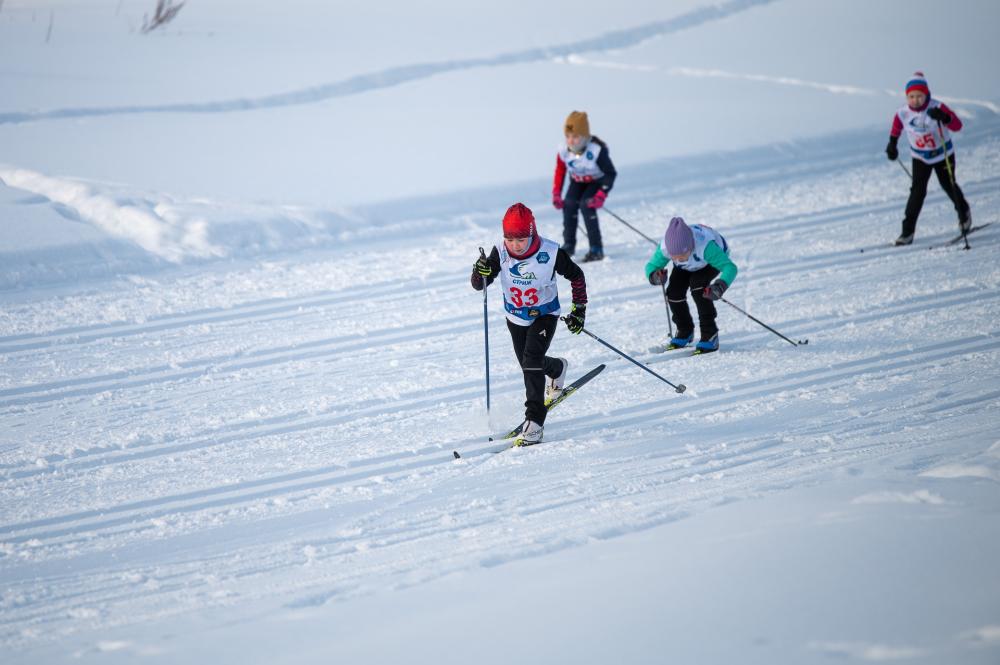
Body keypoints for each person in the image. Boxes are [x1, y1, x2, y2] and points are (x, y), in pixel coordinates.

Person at [471, 203, 588, 444]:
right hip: (515, 317)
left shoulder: (551, 252)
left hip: (544, 314)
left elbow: (576, 276)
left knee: (531, 361)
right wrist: (479, 271)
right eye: (510, 239)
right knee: (529, 364)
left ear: (532, 233)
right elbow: (479, 283)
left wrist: (578, 310)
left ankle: (534, 422)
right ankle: (556, 369)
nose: (515, 245)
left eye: (521, 239)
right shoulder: (500, 252)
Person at [885, 71, 971, 246]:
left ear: (926, 94)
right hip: (920, 157)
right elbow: (896, 129)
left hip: (942, 154)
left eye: (919, 96)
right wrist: (892, 145)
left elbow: (957, 125)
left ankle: (964, 214)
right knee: (917, 192)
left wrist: (945, 118)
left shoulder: (937, 107)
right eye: (911, 96)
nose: (915, 100)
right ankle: (907, 232)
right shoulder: (902, 113)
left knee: (948, 184)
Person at [644, 217, 737, 354]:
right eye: (674, 257)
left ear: (691, 246)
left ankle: (709, 334)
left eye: (682, 255)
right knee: (674, 291)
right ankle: (684, 330)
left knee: (699, 288)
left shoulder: (706, 247)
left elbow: (730, 267)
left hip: (707, 263)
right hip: (687, 266)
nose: (678, 259)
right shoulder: (666, 247)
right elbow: (651, 266)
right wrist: (655, 276)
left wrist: (720, 286)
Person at [551, 111, 617, 262]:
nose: (571, 141)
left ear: (585, 137)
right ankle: (569, 245)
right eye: (568, 137)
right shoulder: (563, 151)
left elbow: (610, 173)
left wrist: (602, 194)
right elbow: (560, 171)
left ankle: (596, 248)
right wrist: (556, 193)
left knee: (586, 206)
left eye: (575, 137)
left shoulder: (596, 150)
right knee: (569, 204)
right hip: (577, 181)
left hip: (596, 182)